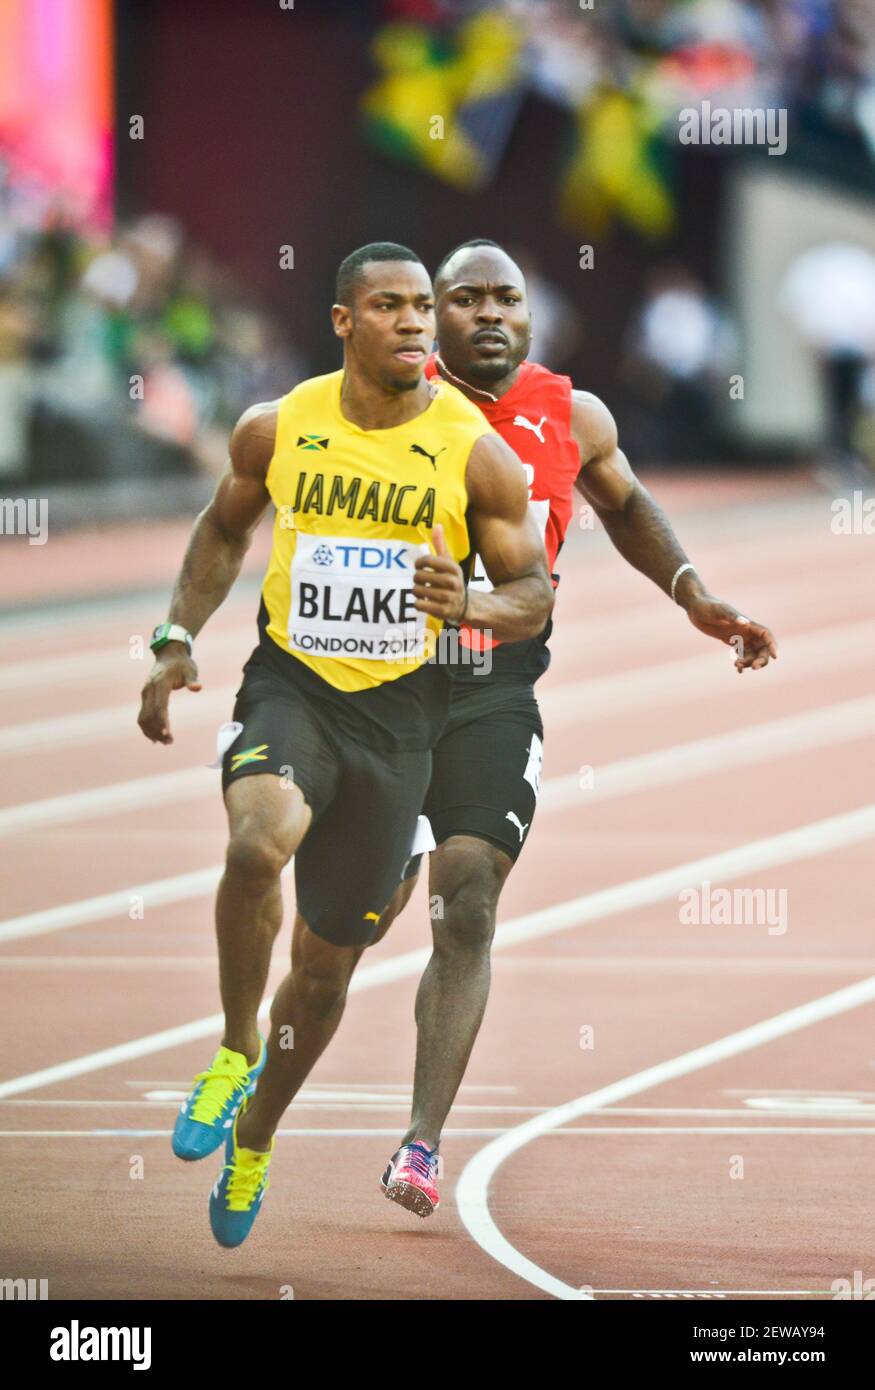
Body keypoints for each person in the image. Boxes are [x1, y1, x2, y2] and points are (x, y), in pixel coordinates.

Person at [136, 242, 553, 1247]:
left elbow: (532, 595)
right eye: (391, 307)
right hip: (293, 687)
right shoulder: (279, 426)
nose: (415, 324)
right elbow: (224, 530)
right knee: (253, 843)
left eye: (423, 308)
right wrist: (176, 639)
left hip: (402, 717)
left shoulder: (471, 449)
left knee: (323, 969)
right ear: (342, 322)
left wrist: (474, 603)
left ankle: (255, 1136)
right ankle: (235, 1045)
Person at [375, 239, 777, 1218]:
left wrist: (692, 593)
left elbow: (627, 504)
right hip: (377, 686)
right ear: (432, 315)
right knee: (356, 916)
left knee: (464, 898)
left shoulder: (572, 415)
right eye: (461, 298)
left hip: (492, 685)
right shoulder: (384, 401)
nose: (486, 315)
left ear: (528, 312)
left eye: (504, 297)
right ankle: (262, 1048)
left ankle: (420, 1142)